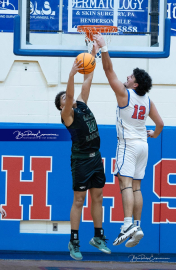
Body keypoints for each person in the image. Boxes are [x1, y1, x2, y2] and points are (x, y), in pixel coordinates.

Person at [94, 34, 164, 248]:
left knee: (124, 184)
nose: (127, 76)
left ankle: (126, 225)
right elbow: (160, 124)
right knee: (136, 187)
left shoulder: (125, 94)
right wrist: (154, 134)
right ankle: (137, 225)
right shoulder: (147, 100)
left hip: (128, 145)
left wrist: (103, 48)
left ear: (135, 83)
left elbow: (108, 71)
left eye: (131, 76)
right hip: (143, 145)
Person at [54, 43, 111, 260]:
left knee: (98, 197)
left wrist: (93, 54)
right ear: (62, 106)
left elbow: (88, 78)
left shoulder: (83, 103)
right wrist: (70, 74)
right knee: (79, 200)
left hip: (96, 158)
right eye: (63, 100)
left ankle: (98, 236)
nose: (68, 99)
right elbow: (69, 95)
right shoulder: (67, 115)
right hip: (80, 161)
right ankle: (74, 241)